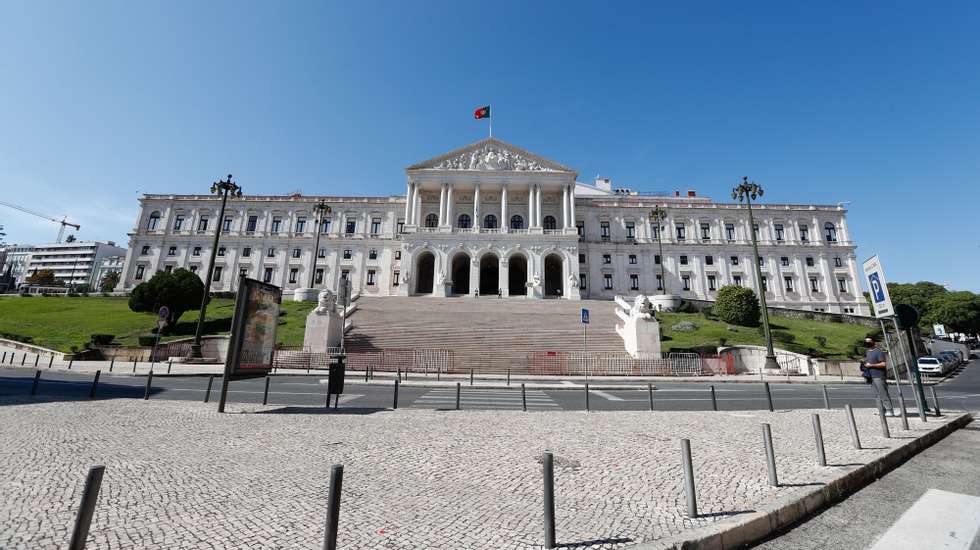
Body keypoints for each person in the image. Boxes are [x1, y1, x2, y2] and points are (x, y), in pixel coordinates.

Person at [865, 335, 894, 416]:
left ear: (873, 342)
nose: (867, 343)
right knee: (876, 394)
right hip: (871, 376)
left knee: (883, 393)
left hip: (879, 375)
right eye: (866, 341)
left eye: (869, 341)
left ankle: (889, 410)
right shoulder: (867, 352)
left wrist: (871, 365)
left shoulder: (879, 352)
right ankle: (881, 410)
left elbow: (883, 364)